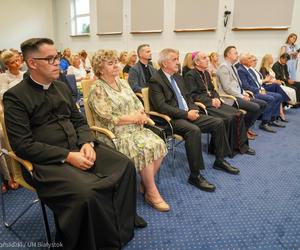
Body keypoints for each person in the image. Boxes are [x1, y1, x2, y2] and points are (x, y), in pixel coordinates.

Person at [3, 38, 145, 250]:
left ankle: (121, 224)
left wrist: (87, 141)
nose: (57, 63)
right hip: (47, 161)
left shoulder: (61, 87)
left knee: (124, 165)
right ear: (32, 63)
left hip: (79, 146)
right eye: (50, 59)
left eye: (57, 56)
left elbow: (79, 120)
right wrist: (68, 156)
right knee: (87, 192)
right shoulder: (15, 97)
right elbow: (23, 145)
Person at [149, 48, 240, 193]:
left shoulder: (178, 77)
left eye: (177, 58)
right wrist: (186, 114)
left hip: (187, 113)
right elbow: (162, 107)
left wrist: (193, 109)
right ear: (165, 63)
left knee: (218, 122)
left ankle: (220, 160)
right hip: (170, 120)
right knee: (194, 130)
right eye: (174, 59)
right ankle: (195, 175)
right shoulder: (156, 80)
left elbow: (188, 97)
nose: (178, 62)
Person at [88, 49, 169, 212]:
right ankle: (151, 193)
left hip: (135, 127)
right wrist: (133, 118)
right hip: (114, 134)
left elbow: (137, 103)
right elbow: (107, 117)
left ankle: (145, 182)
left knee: (159, 144)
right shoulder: (97, 88)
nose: (116, 65)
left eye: (116, 62)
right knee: (145, 148)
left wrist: (141, 115)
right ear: (100, 69)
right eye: (110, 63)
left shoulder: (123, 83)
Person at [185, 51, 255, 155]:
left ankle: (241, 146)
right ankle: (226, 149)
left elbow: (213, 90)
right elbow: (192, 96)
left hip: (215, 103)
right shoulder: (190, 75)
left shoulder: (206, 73)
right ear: (197, 62)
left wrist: (217, 98)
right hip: (204, 106)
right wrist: (211, 101)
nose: (207, 59)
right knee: (229, 117)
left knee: (238, 113)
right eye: (204, 58)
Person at [216, 46, 266, 137]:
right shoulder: (223, 67)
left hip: (237, 95)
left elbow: (238, 85)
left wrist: (243, 92)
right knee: (255, 107)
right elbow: (227, 88)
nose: (237, 54)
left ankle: (245, 128)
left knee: (262, 104)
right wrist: (242, 96)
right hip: (230, 98)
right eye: (235, 53)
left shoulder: (233, 67)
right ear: (228, 55)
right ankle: (243, 131)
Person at [238, 53, 285, 132]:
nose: (252, 60)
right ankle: (264, 123)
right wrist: (259, 90)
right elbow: (246, 86)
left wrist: (261, 88)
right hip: (252, 93)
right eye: (249, 58)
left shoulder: (249, 69)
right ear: (243, 61)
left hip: (258, 90)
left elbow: (256, 82)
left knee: (279, 96)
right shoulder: (241, 70)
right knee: (270, 99)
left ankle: (272, 119)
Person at [250, 55, 290, 122]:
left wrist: (275, 81)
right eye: (254, 60)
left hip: (266, 85)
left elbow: (264, 79)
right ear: (267, 60)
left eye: (256, 60)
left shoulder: (265, 69)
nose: (256, 62)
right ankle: (284, 104)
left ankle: (278, 113)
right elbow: (264, 81)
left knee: (278, 92)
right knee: (276, 87)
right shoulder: (263, 68)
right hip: (265, 86)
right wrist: (273, 81)